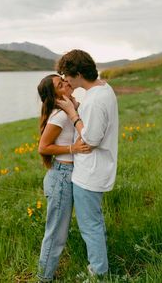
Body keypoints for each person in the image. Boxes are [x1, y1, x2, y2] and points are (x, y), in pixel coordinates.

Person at [56, 49, 119, 281]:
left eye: (67, 76)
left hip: (89, 173)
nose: (66, 81)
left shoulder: (94, 101)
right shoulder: (104, 89)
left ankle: (98, 271)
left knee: (89, 225)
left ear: (78, 73)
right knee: (95, 221)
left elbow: (90, 140)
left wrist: (73, 114)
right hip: (98, 169)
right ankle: (100, 263)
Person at [37, 74, 91, 282]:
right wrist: (72, 148)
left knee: (58, 232)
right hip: (61, 176)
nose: (67, 83)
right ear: (56, 95)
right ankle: (44, 278)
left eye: (64, 80)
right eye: (61, 84)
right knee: (56, 235)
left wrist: (75, 106)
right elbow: (43, 147)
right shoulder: (59, 115)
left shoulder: (68, 110)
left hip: (66, 175)